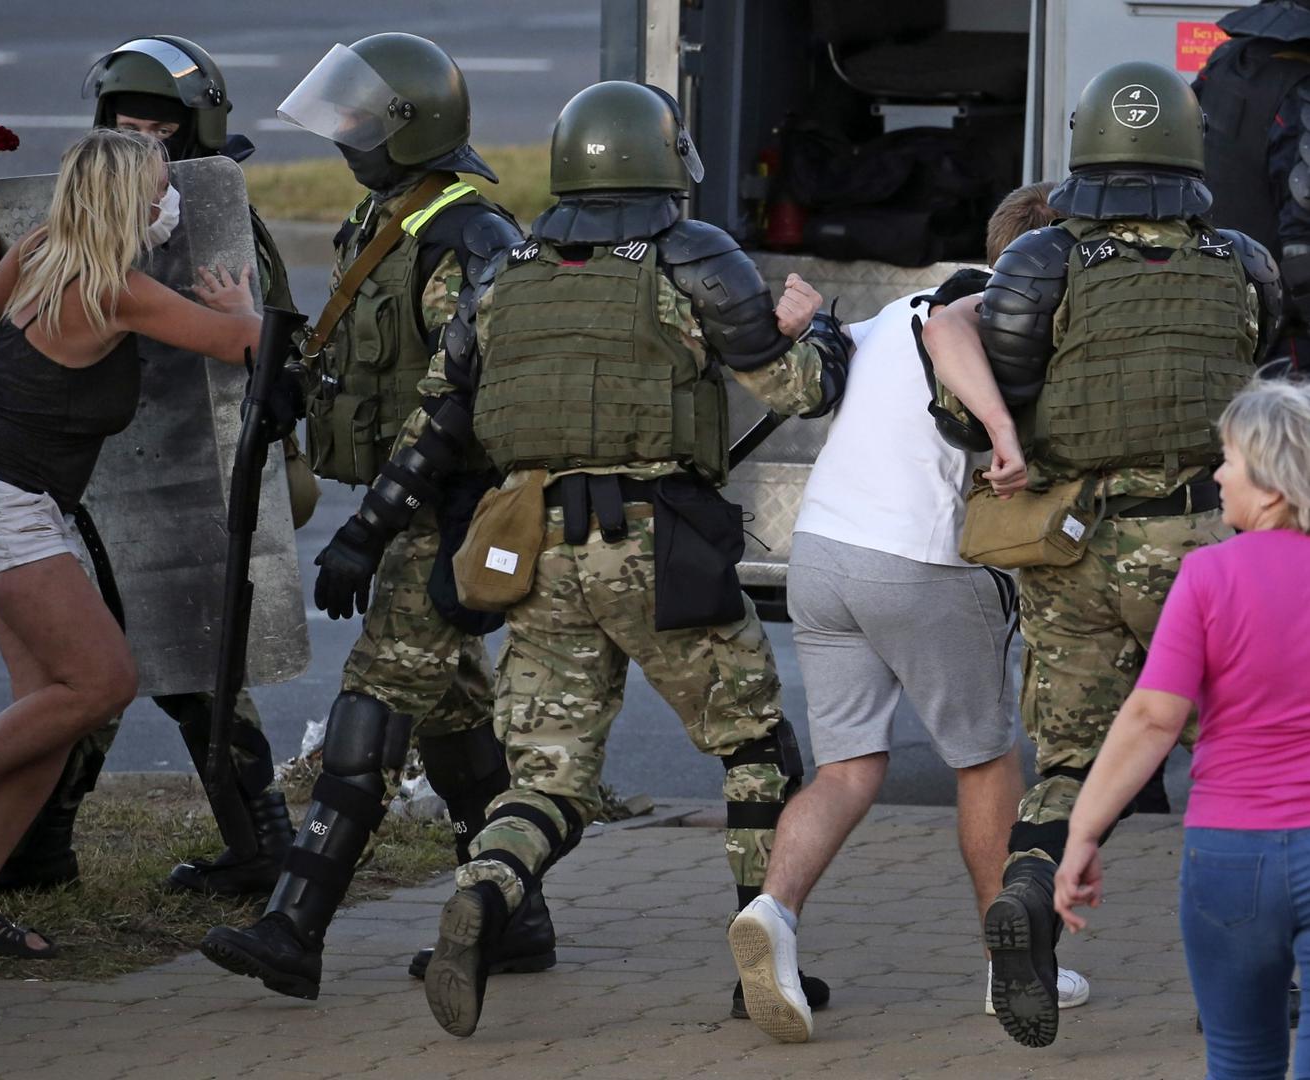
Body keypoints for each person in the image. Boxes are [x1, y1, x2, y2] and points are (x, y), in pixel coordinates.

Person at [335, 79, 852, 1038]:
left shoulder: (506, 269)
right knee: (753, 750)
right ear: (666, 162)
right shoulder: (693, 255)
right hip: (658, 549)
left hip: (540, 548)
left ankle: (488, 888)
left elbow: (437, 418)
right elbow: (795, 388)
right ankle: (761, 955)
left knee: (545, 775)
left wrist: (364, 529)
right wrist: (814, 326)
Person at [198, 33, 549, 1002]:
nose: (345, 135)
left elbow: (457, 399)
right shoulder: (389, 215)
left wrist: (372, 524)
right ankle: (516, 920)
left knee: (375, 706)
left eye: (360, 120)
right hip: (412, 508)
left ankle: (293, 929)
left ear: (408, 130)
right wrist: (291, 396)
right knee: (455, 727)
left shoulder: (467, 238)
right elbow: (373, 366)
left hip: (449, 512)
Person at [0, 129, 261, 958]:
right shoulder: (113, 287)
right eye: (159, 186)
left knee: (48, 719)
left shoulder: (43, 249)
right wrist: (238, 308)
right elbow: (241, 346)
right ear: (128, 200)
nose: (167, 200)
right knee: (104, 682)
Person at [728, 183, 1092, 1044]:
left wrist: (805, 311)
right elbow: (951, 335)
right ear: (1044, 256)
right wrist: (1006, 433)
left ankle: (772, 913)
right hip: (918, 564)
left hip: (818, 556)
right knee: (986, 761)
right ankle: (1010, 967)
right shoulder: (992, 306)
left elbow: (827, 350)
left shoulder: (898, 307)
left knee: (847, 770)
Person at [967, 61, 1281, 1048]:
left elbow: (992, 390)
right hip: (1202, 542)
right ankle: (1254, 986)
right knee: (1238, 757)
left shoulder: (1041, 261)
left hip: (1072, 546)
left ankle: (1025, 896)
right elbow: (1260, 363)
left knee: (1067, 754)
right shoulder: (1243, 260)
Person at [0, 34, 315, 899]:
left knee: (177, 659)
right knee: (109, 661)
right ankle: (39, 847)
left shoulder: (218, 216)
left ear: (196, 127)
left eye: (160, 129)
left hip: (200, 470)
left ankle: (246, 849)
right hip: (103, 471)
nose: (144, 145)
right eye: (126, 129)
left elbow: (270, 344)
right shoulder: (100, 213)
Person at [1055, 379, 1310, 1078]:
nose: (1216, 476)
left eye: (1226, 460)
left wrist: (1081, 833)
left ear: (1271, 487)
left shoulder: (1205, 576)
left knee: (1238, 1058)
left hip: (1229, 856)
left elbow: (1151, 717)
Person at [1195, 0, 1310, 370]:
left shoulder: (1224, 60)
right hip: (1285, 337)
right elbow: (1302, 241)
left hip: (1209, 307)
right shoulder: (1301, 86)